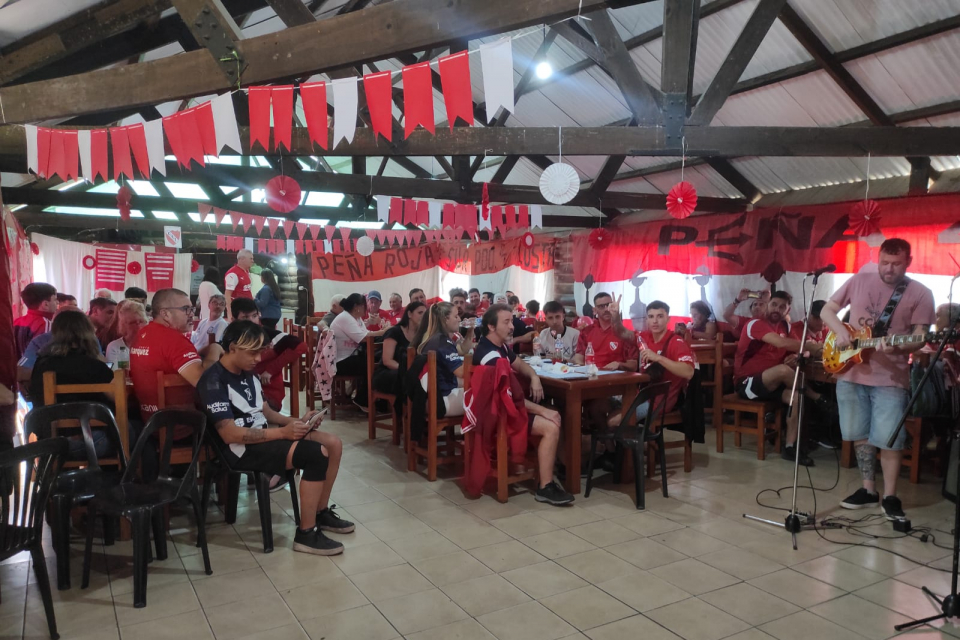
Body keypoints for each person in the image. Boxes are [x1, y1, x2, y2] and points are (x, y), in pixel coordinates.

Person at [198, 321, 353, 556]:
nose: (258, 358)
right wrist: (281, 433)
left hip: (264, 437)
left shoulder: (247, 374)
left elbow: (266, 413)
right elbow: (228, 433)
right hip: (239, 448)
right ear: (232, 348)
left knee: (333, 444)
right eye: (252, 352)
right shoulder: (213, 380)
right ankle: (306, 534)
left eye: (260, 351)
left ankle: (320, 513)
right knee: (314, 455)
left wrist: (297, 421)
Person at [820, 238, 935, 520]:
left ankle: (891, 495)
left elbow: (919, 339)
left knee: (889, 438)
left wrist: (898, 346)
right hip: (851, 370)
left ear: (908, 261)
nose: (889, 268)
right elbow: (827, 310)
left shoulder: (921, 293)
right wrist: (841, 331)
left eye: (896, 264)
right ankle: (868, 489)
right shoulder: (860, 279)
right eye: (884, 262)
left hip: (890, 377)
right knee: (859, 434)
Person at [474, 304, 574, 505]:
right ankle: (545, 486)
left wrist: (534, 376)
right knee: (551, 423)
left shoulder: (498, 346)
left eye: (512, 321)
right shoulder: (490, 356)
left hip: (503, 408)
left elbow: (519, 364)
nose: (513, 326)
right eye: (507, 322)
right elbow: (508, 398)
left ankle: (560, 466)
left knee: (554, 411)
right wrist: (542, 410)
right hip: (497, 416)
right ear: (491, 326)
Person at [733, 290, 825, 466]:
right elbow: (781, 343)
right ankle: (817, 397)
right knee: (784, 370)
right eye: (774, 304)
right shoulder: (756, 323)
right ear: (768, 304)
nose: (777, 309)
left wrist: (799, 355)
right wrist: (811, 348)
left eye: (782, 306)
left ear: (787, 310)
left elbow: (801, 349)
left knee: (796, 397)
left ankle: (790, 447)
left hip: (772, 384)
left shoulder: (785, 326)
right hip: (747, 383)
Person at [30, 311, 128, 459]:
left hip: (47, 442)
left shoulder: (41, 362)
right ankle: (120, 479)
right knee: (135, 430)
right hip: (86, 441)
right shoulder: (91, 365)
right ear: (88, 332)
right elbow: (118, 398)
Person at [129, 288, 223, 426]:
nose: (192, 314)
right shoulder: (174, 341)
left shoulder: (142, 335)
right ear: (165, 314)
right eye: (186, 309)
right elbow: (204, 381)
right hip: (181, 427)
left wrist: (204, 350)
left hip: (150, 423)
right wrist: (215, 349)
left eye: (192, 309)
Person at [613, 301, 695, 420]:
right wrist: (615, 317)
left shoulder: (676, 342)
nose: (655, 321)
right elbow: (621, 333)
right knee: (601, 406)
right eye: (651, 317)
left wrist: (659, 358)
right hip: (639, 396)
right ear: (647, 320)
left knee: (614, 420)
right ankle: (619, 438)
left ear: (668, 319)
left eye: (660, 316)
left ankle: (628, 437)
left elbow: (689, 372)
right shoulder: (643, 337)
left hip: (660, 402)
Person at [330, 293, 386, 410]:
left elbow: (365, 334)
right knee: (370, 365)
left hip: (351, 355)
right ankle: (362, 399)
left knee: (377, 360)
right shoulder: (345, 317)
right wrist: (384, 331)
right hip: (340, 360)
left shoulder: (356, 318)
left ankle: (374, 399)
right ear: (357, 307)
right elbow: (364, 338)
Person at [417, 302, 466, 416]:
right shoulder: (443, 342)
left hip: (430, 397)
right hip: (441, 400)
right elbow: (461, 372)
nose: (459, 319)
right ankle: (481, 433)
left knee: (477, 385)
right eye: (456, 316)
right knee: (488, 394)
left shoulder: (433, 338)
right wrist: (477, 357)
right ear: (445, 319)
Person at [574, 292, 639, 372]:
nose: (606, 309)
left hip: (616, 380)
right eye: (601, 306)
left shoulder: (624, 334)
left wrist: (619, 365)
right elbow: (578, 360)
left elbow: (633, 365)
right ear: (595, 311)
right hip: (591, 379)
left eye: (608, 305)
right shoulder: (586, 332)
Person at [373, 302, 426, 396]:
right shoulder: (394, 331)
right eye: (420, 313)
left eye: (425, 314)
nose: (423, 316)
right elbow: (387, 361)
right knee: (411, 379)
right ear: (409, 314)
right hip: (388, 373)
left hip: (407, 371)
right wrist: (406, 369)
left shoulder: (421, 334)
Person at [14, 283, 57, 360]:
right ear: (45, 304)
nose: (57, 303)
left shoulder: (17, 321)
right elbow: (44, 354)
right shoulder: (45, 324)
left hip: (16, 369)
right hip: (33, 369)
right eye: (55, 299)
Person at [105, 301, 149, 367]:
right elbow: (114, 373)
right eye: (133, 322)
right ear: (123, 326)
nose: (138, 326)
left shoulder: (153, 344)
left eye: (141, 321)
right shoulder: (114, 347)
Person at [224, 249, 254, 321]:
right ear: (242, 259)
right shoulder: (233, 274)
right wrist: (230, 314)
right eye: (251, 259)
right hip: (239, 311)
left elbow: (248, 292)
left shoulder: (246, 272)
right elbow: (227, 295)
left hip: (248, 310)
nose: (252, 261)